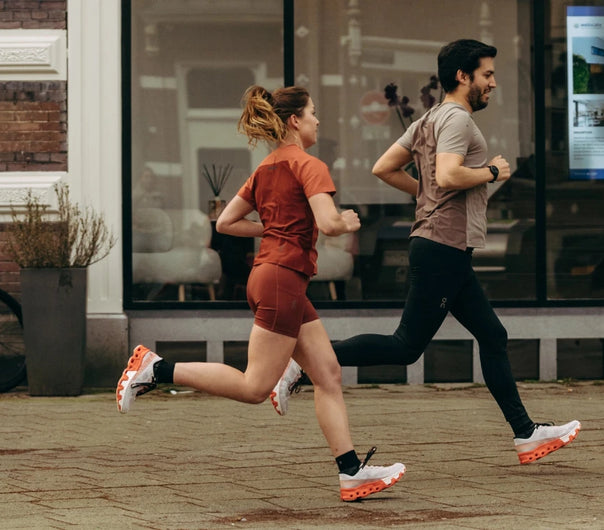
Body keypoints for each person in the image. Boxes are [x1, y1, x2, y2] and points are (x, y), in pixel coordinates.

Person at [271, 39, 581, 465]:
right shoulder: (456, 119)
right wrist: (492, 171)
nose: (493, 83)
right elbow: (450, 173)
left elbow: (384, 167)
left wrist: (427, 195)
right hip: (442, 248)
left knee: (493, 335)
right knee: (405, 346)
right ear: (462, 76)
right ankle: (300, 364)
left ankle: (525, 434)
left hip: (444, 246)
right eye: (487, 75)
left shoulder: (429, 118)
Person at [116, 85, 405, 501]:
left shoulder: (266, 168)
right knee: (254, 386)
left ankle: (351, 472)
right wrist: (348, 221)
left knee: (327, 374)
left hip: (274, 276)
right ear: (295, 121)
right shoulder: (310, 165)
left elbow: (226, 223)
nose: (318, 120)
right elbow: (327, 224)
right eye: (313, 113)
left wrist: (271, 230)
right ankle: (153, 369)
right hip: (282, 280)